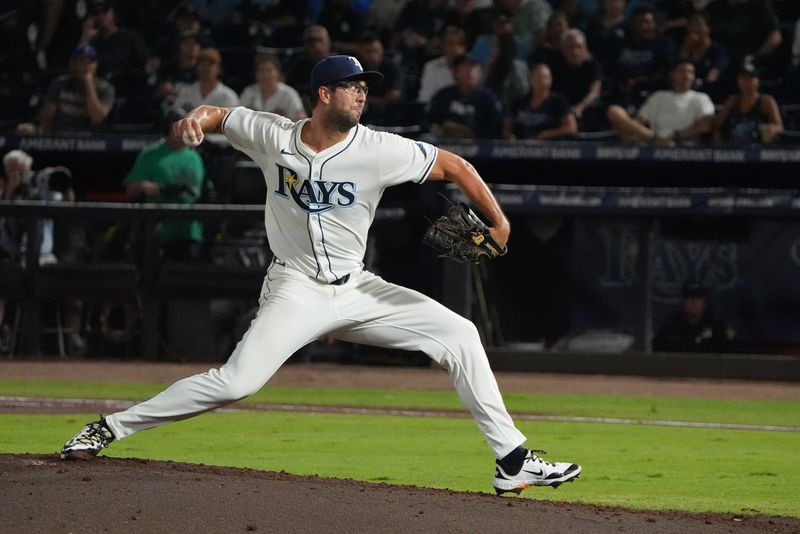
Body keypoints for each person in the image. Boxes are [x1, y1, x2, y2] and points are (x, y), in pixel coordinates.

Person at [60, 54, 581, 495]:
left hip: (357, 288)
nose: (361, 96)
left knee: (460, 334)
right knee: (236, 383)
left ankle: (512, 463)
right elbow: (218, 114)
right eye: (352, 87)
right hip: (295, 289)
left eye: (364, 88)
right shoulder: (273, 135)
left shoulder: (379, 148)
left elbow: (455, 165)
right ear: (324, 94)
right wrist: (194, 119)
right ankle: (109, 428)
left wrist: (500, 220)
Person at [123, 108, 206, 263]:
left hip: (189, 231)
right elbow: (131, 189)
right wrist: (148, 187)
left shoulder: (195, 157)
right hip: (158, 231)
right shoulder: (150, 155)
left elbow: (197, 193)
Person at [607, 61, 715, 144]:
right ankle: (654, 138)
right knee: (614, 111)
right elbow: (639, 122)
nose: (686, 76)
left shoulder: (701, 98)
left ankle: (657, 139)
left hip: (683, 144)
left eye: (690, 72)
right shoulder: (659, 96)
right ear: (673, 74)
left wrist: (674, 137)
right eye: (682, 71)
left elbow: (706, 125)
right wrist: (650, 136)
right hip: (653, 141)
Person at [33, 44, 116, 134]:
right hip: (60, 137)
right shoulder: (60, 83)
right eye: (82, 61)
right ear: (72, 64)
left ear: (95, 65)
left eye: (90, 62)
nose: (86, 66)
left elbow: (97, 117)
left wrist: (88, 84)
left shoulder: (105, 88)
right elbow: (48, 116)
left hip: (90, 141)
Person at [426, 55, 504, 139]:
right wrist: (441, 130)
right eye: (464, 68)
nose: (469, 71)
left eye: (473, 68)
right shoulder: (443, 95)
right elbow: (429, 121)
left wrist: (471, 134)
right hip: (446, 144)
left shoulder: (487, 97)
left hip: (480, 146)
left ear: (480, 73)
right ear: (455, 72)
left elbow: (496, 126)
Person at [652, 280, 735, 353]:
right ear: (683, 300)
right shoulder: (671, 328)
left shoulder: (718, 328)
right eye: (690, 297)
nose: (694, 301)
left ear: (704, 300)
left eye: (698, 297)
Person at [713, 62, 783, 144]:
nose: (747, 81)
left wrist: (772, 129)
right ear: (738, 80)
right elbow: (716, 125)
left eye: (751, 77)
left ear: (757, 80)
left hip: (758, 149)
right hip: (733, 149)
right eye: (743, 77)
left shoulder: (766, 101)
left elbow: (779, 127)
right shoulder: (732, 100)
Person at [505, 63, 578, 140]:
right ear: (530, 79)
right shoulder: (518, 103)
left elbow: (571, 128)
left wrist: (547, 134)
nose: (543, 81)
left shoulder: (558, 102)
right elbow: (508, 128)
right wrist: (511, 140)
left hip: (550, 149)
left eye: (546, 77)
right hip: (521, 148)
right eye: (538, 77)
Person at [238, 54, 306, 121]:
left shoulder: (289, 94)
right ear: (256, 74)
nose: (265, 75)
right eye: (261, 71)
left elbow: (300, 121)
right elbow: (238, 118)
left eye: (269, 70)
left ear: (277, 72)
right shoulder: (248, 92)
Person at [173, 47, 239, 113]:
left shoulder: (228, 96)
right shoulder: (185, 92)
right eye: (202, 63)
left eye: (210, 64)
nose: (206, 67)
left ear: (219, 69)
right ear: (197, 67)